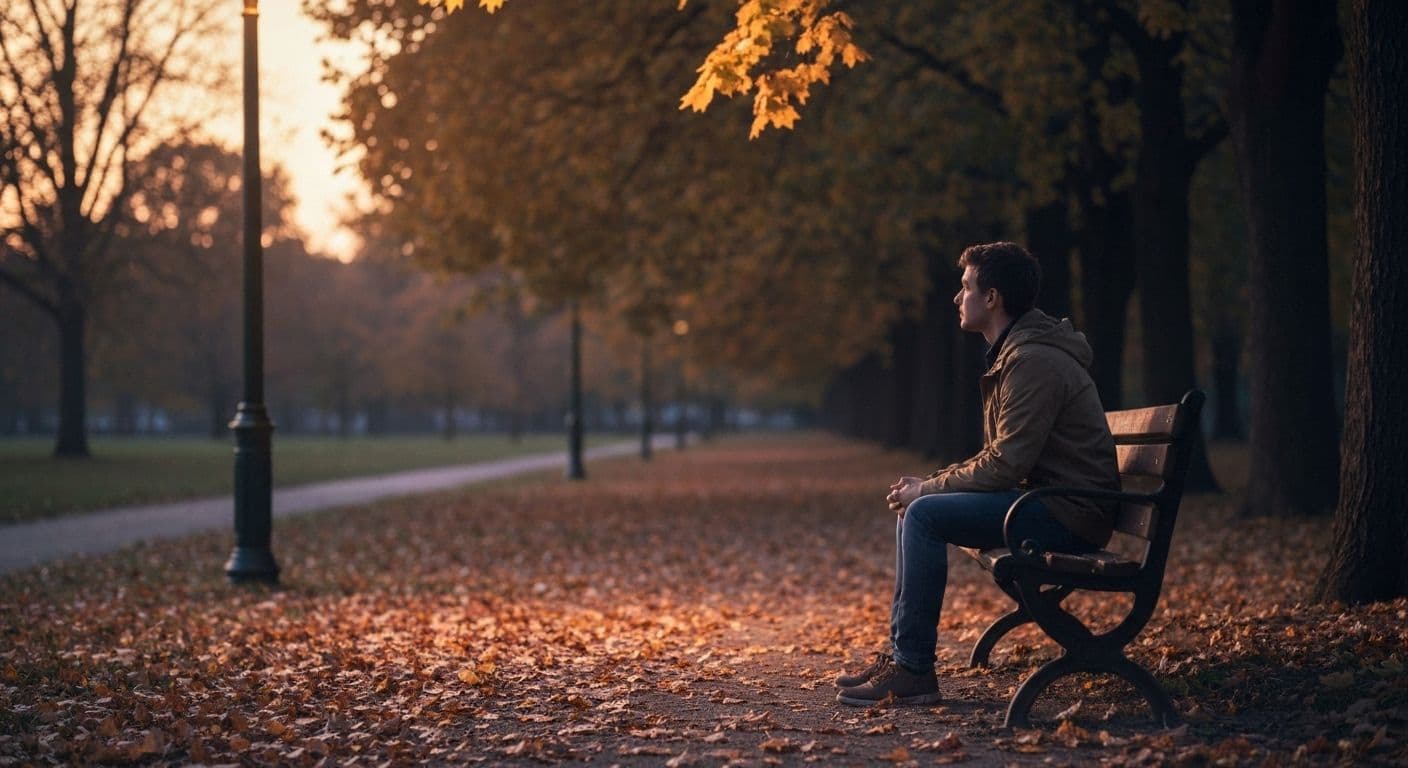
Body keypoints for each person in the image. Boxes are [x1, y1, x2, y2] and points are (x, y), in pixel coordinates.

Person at [835, 241, 1120, 707]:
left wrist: (927, 489)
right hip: (1050, 502)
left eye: (966, 286)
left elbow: (1006, 464)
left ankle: (913, 669)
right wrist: (926, 486)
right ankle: (903, 658)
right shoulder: (1018, 355)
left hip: (1070, 514)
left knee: (924, 514)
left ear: (991, 297)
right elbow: (1001, 457)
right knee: (918, 510)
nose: (957, 296)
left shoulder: (1032, 361)